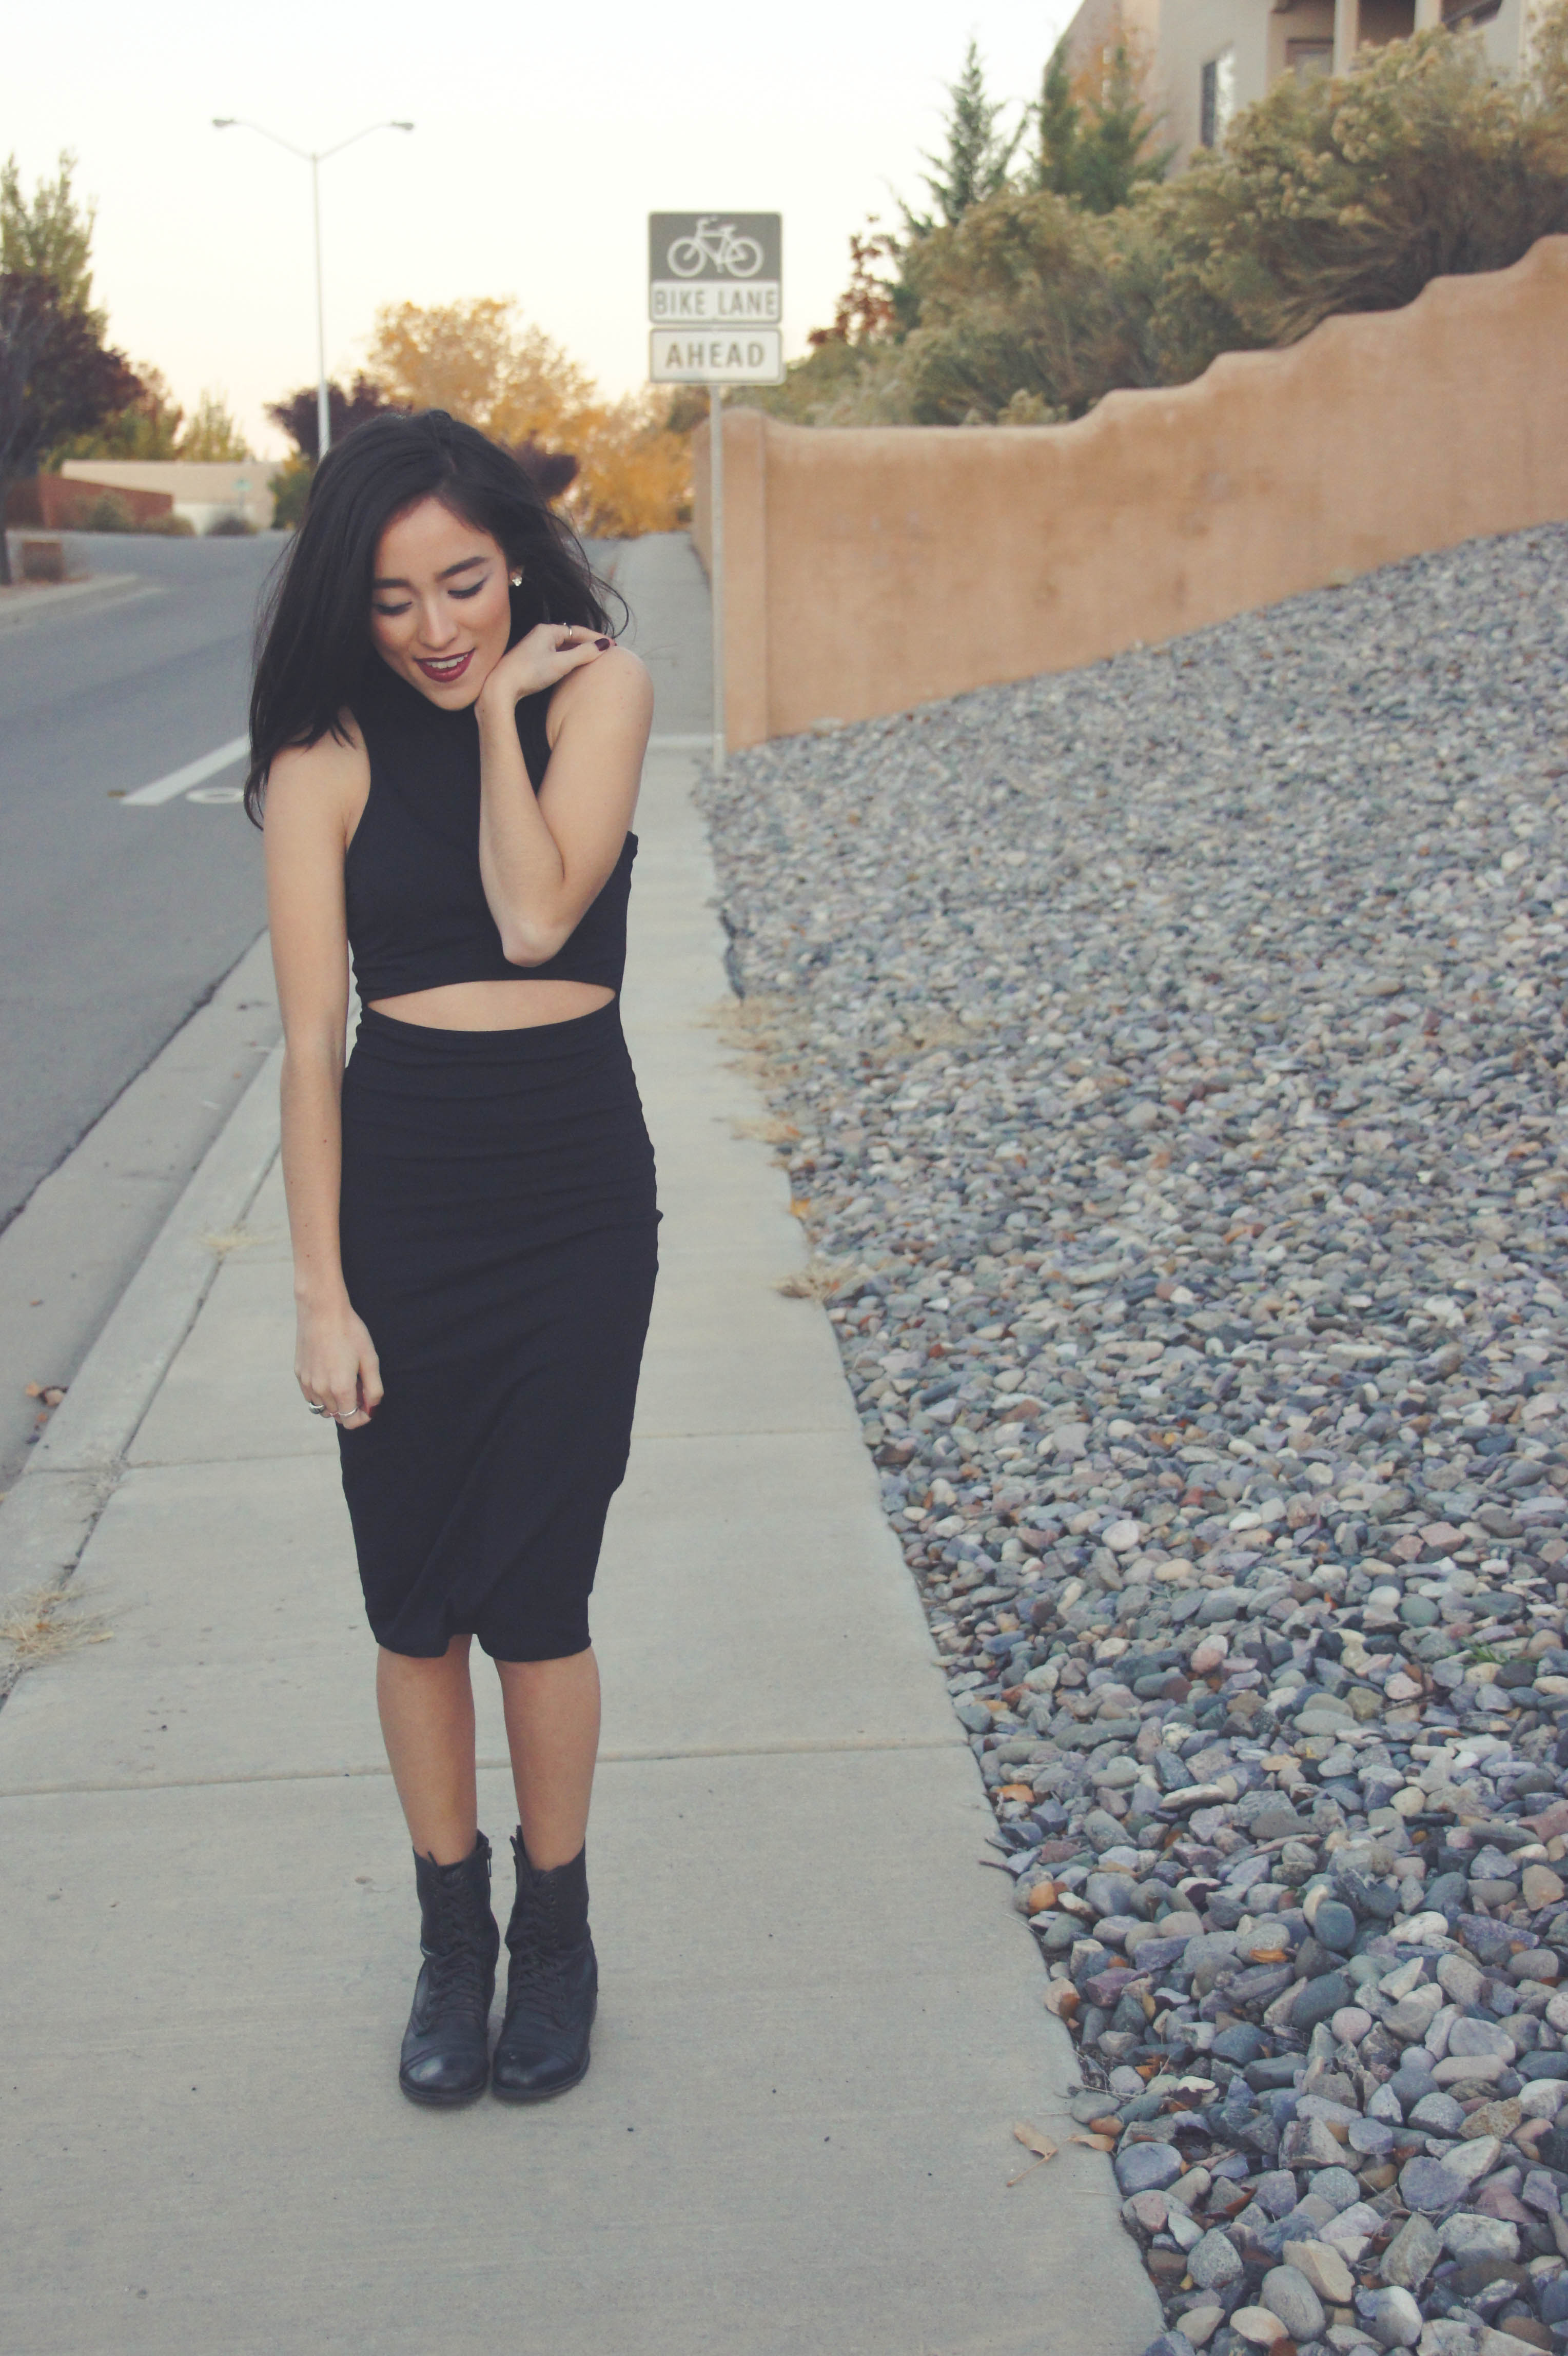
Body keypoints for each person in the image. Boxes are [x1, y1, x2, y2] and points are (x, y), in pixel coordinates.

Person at [246, 409, 658, 2107]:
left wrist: (496, 721)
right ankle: (450, 1940)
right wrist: (321, 1293)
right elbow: (306, 1043)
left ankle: (555, 1940)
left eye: (466, 584)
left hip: (574, 1197)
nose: (435, 627)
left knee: (539, 1598)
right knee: (414, 1606)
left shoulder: (598, 694)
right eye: (395, 598)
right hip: (406, 1201)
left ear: (516, 558)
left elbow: (539, 913)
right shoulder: (320, 759)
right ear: (350, 600)